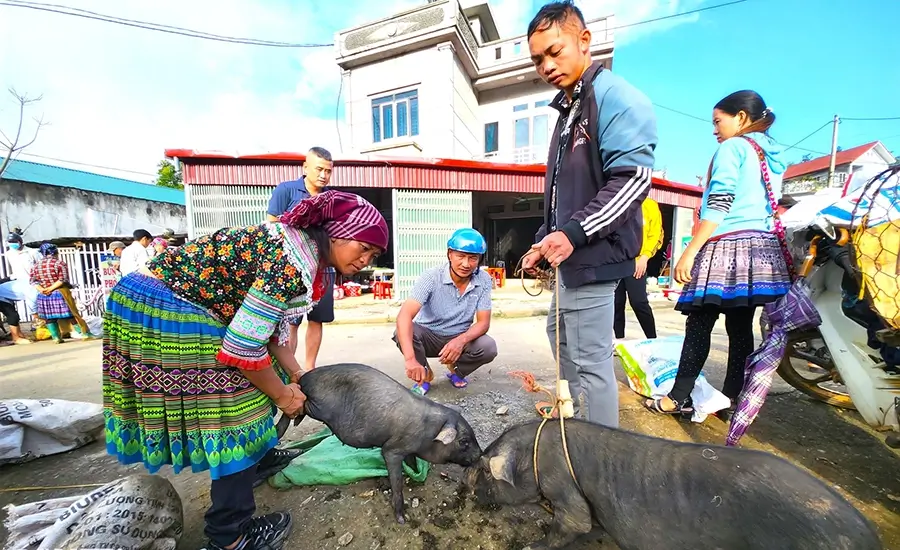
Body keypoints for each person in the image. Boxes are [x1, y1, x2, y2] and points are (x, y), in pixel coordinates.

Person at [102, 190, 388, 550]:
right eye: (363, 247)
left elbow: (265, 332)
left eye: (374, 255)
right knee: (235, 415)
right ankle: (229, 536)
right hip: (164, 305)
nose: (365, 259)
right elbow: (241, 347)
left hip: (167, 297)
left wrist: (296, 375)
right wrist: (285, 397)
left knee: (270, 383)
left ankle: (260, 459)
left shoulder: (300, 250)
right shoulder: (289, 261)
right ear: (335, 232)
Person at [520, 1, 657, 428]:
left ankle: (601, 456)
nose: (546, 65)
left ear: (584, 41)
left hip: (594, 259)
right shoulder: (569, 111)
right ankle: (576, 423)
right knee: (561, 341)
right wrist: (545, 239)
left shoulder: (615, 99)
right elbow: (565, 193)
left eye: (555, 51)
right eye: (538, 59)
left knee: (591, 362)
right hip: (571, 258)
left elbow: (633, 181)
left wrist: (573, 235)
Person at [643, 90, 792, 417]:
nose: (714, 129)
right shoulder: (771, 155)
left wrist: (690, 252)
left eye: (717, 121)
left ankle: (677, 396)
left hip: (727, 246)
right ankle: (731, 399)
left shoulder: (733, 147)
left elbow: (720, 203)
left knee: (699, 323)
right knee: (741, 328)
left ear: (740, 118)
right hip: (758, 250)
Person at [393, 228, 497, 394]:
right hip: (429, 336)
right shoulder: (431, 277)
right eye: (460, 256)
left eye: (473, 258)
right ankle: (424, 375)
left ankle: (456, 370)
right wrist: (410, 359)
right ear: (449, 254)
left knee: (488, 346)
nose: (466, 264)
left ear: (479, 259)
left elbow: (484, 322)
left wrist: (461, 340)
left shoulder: (483, 279)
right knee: (403, 331)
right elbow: (404, 315)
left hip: (459, 336)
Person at [267, 147, 335, 373]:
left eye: (328, 171)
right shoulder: (286, 191)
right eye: (319, 169)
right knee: (292, 321)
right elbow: (272, 227)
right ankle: (291, 369)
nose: (324, 175)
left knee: (317, 319)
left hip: (322, 268)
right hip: (294, 269)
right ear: (305, 168)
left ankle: (310, 369)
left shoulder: (332, 197)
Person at [613, 196, 664, 340]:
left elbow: (656, 234)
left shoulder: (649, 205)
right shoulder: (618, 202)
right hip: (616, 261)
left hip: (637, 261)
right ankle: (619, 340)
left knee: (638, 301)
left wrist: (645, 256)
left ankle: (652, 338)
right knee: (616, 302)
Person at [29, 243, 95, 343]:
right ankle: (85, 334)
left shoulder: (36, 266)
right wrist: (51, 288)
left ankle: (56, 338)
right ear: (54, 252)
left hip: (43, 295)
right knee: (71, 314)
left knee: (49, 318)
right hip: (59, 293)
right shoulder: (59, 263)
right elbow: (62, 280)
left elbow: (33, 281)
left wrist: (42, 289)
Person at [4, 230, 39, 324]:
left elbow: (40, 267)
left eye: (14, 242)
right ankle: (12, 319)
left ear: (20, 242)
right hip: (18, 282)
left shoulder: (32, 252)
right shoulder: (9, 254)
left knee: (33, 303)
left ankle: (38, 323)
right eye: (10, 243)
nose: (12, 245)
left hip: (33, 282)